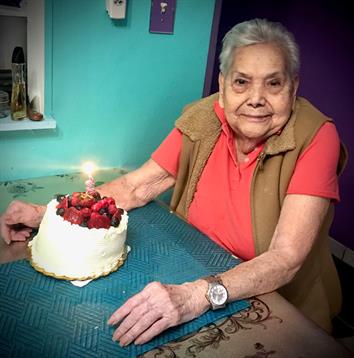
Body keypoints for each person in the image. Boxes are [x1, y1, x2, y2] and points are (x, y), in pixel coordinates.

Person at [0, 18, 347, 347]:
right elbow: (137, 187)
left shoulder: (316, 136)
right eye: (241, 82)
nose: (256, 98)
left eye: (274, 83)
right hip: (193, 263)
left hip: (276, 302)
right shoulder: (204, 116)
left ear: (294, 87)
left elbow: (286, 258)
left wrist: (199, 294)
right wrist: (47, 211)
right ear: (223, 85)